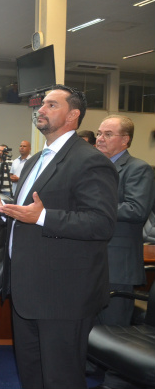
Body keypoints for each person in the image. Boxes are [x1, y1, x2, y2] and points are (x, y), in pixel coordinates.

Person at [0, 85, 118, 389]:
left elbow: (101, 223)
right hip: (26, 288)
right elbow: (26, 213)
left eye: (52, 105)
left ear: (73, 115)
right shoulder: (38, 159)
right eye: (41, 104)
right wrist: (3, 209)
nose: (40, 109)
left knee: (60, 378)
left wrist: (41, 216)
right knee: (31, 374)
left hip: (63, 294)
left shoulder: (90, 160)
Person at [93, 115, 155, 389]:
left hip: (118, 262)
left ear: (125, 140)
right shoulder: (94, 167)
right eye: (98, 133)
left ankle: (114, 383)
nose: (99, 138)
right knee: (91, 323)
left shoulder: (139, 169)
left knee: (114, 327)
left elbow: (136, 209)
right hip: (91, 259)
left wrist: (94, 211)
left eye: (107, 134)